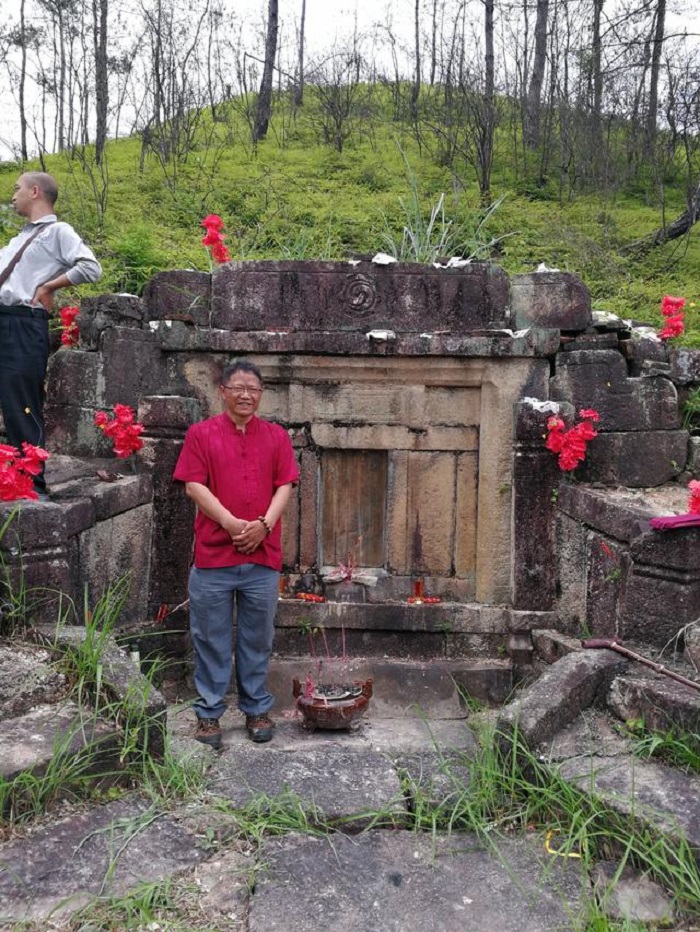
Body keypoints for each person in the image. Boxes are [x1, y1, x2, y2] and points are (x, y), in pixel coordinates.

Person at [173, 359, 299, 748]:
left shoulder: (276, 436)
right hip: (214, 558)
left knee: (256, 638)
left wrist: (263, 525)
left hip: (262, 558)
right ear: (222, 392)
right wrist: (230, 524)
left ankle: (255, 707)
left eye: (253, 389)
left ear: (261, 394)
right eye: (238, 387)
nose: (246, 394)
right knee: (210, 638)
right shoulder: (201, 434)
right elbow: (194, 485)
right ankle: (209, 713)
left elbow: (286, 485)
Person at [0, 171, 102, 495]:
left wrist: (48, 285)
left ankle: (31, 491)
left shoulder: (59, 231)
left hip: (23, 323)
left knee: (21, 405)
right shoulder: (18, 239)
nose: (12, 194)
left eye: (16, 189)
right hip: (5, 318)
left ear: (34, 191)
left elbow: (91, 267)